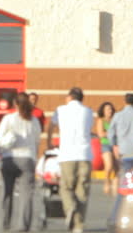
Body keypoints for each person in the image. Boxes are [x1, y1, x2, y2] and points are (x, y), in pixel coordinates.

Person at [45, 87, 93, 233]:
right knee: (82, 190)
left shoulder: (60, 110)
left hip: (67, 155)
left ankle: (70, 207)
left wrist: (49, 142)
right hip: (84, 154)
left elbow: (51, 126)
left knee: (66, 187)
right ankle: (78, 226)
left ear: (70, 97)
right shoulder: (88, 111)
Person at [0, 92, 41, 232]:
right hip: (27, 159)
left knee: (7, 192)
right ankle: (23, 226)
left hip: (9, 158)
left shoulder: (9, 118)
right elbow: (37, 141)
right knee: (26, 195)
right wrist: (35, 159)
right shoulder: (34, 120)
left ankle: (4, 224)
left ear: (15, 104)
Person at [95, 101, 117, 194]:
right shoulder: (101, 120)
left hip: (115, 144)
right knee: (109, 166)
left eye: (111, 109)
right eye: (108, 109)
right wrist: (111, 134)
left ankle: (115, 187)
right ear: (103, 111)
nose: (110, 111)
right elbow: (100, 134)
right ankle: (107, 183)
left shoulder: (115, 120)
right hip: (106, 145)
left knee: (117, 167)